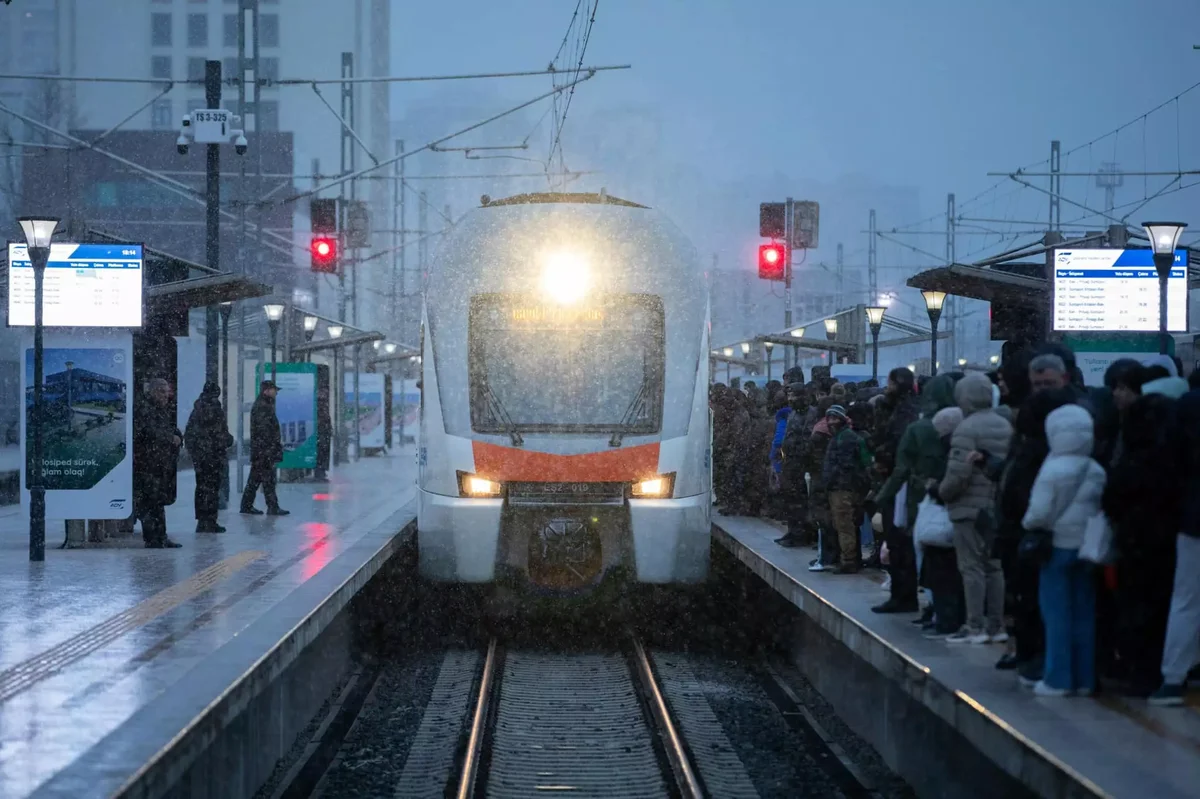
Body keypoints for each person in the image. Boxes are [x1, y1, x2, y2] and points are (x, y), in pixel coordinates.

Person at [1020, 404, 1107, 696]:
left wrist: (1028, 523)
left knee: (1056, 615)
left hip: (1057, 547)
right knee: (1085, 613)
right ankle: (1085, 679)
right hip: (1087, 550)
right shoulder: (1095, 468)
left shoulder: (1052, 468)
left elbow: (1039, 514)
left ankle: (1058, 678)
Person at [939, 372, 1012, 643]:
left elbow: (959, 473)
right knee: (994, 567)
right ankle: (997, 625)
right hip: (995, 506)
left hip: (968, 508)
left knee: (971, 568)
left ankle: (974, 625)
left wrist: (944, 492)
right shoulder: (1006, 425)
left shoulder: (966, 428)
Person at [1153, 386, 1200, 705]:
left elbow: (1171, 462)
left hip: (1195, 516)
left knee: (1187, 598)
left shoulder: (1189, 405)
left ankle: (1173, 678)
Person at [870, 367, 921, 613]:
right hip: (897, 480)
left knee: (898, 540)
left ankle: (903, 594)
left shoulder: (902, 412)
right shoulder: (906, 408)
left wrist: (882, 459)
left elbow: (894, 444)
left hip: (898, 484)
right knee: (896, 540)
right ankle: (902, 593)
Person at [134, 378, 183, 548]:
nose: (166, 395)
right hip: (148, 464)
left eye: (167, 391)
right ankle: (152, 538)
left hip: (160, 464)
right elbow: (149, 432)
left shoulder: (162, 410)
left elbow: (171, 428)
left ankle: (161, 536)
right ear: (153, 391)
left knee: (159, 502)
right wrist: (170, 438)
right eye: (162, 391)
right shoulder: (145, 409)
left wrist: (177, 437)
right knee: (149, 502)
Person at [822, 404, 870, 573]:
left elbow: (844, 465)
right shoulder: (844, 436)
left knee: (844, 524)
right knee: (849, 523)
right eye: (830, 418)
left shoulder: (844, 438)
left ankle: (848, 561)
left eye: (835, 418)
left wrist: (829, 481)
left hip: (842, 488)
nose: (831, 422)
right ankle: (852, 558)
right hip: (846, 487)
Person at [185, 381, 233, 533]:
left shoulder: (198, 407)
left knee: (202, 488)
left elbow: (191, 434)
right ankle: (210, 520)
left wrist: (196, 453)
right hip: (212, 456)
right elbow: (217, 433)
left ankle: (202, 521)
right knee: (212, 488)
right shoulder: (213, 407)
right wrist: (227, 440)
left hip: (202, 456)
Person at [240, 380, 289, 516]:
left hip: (261, 450)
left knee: (256, 479)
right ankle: (271, 507)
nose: (276, 393)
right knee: (267, 480)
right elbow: (264, 431)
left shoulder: (264, 404)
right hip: (264, 451)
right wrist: (270, 448)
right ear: (266, 391)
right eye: (274, 390)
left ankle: (247, 505)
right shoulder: (263, 406)